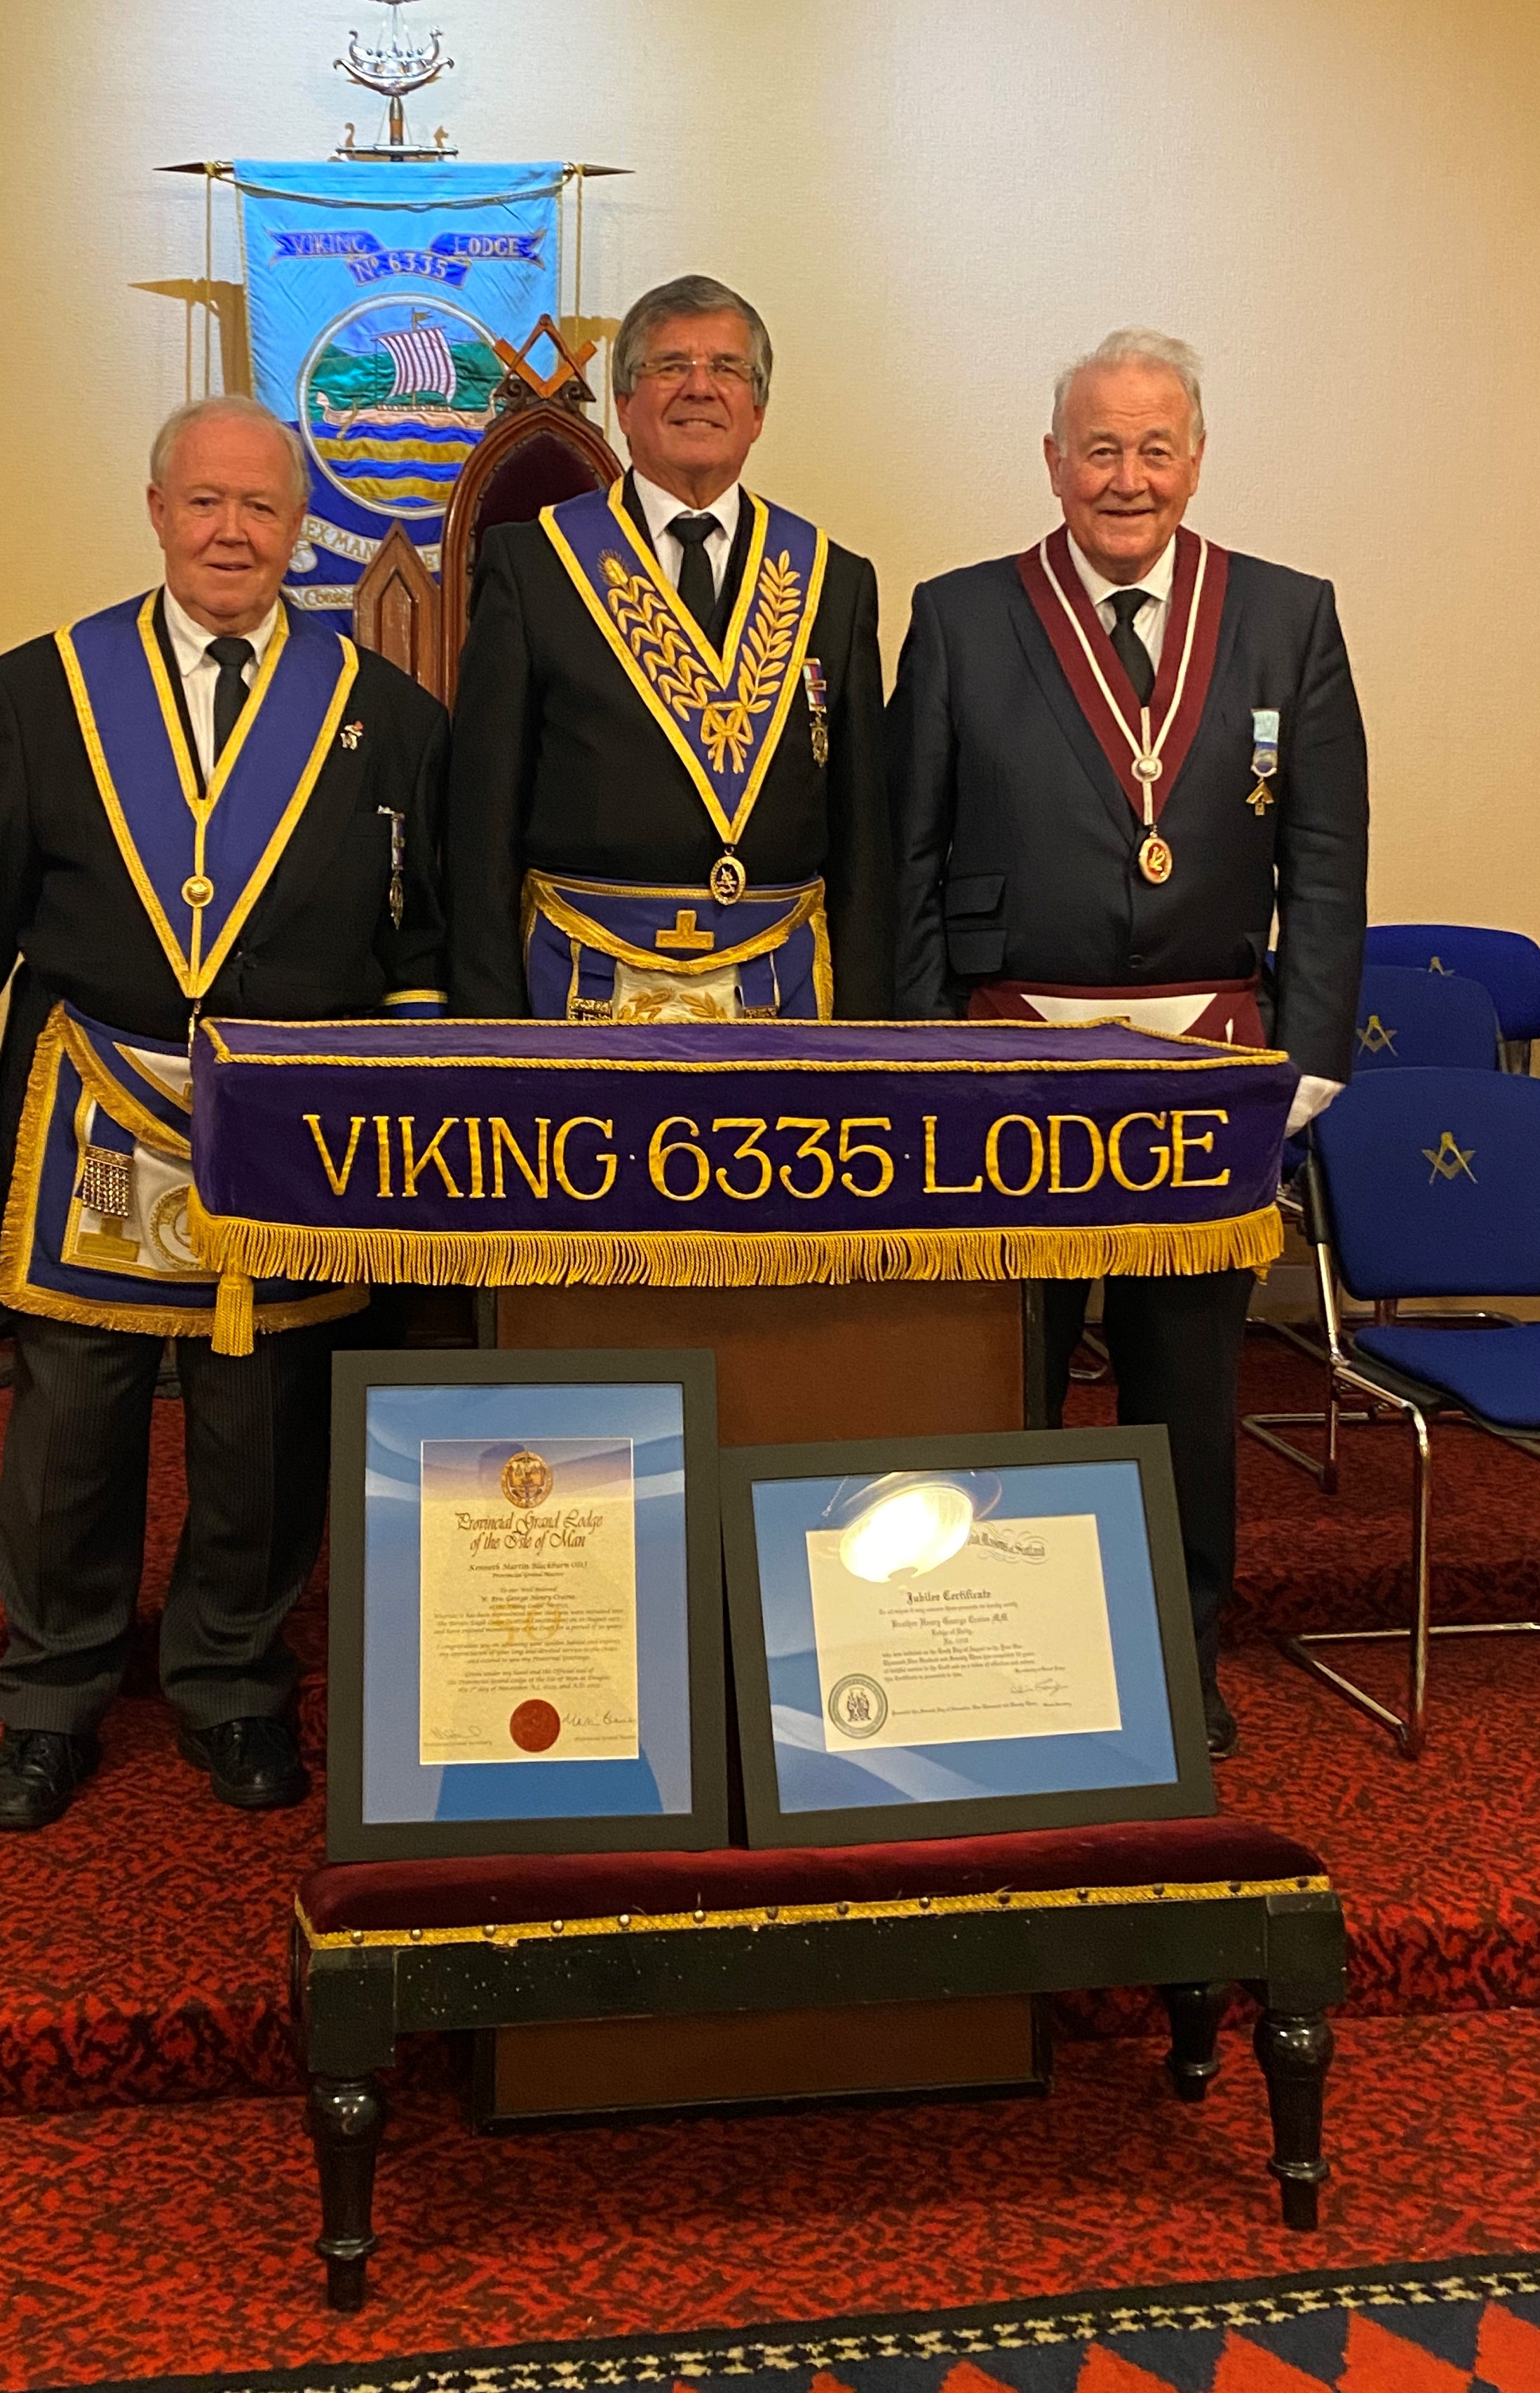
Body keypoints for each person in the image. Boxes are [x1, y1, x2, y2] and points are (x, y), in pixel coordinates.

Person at [0, 396, 449, 1831]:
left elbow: (418, 957)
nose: (230, 531)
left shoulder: (385, 716)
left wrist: (406, 1142)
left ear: (298, 530)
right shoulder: (42, 691)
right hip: (90, 1111)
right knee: (72, 1429)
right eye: (203, 502)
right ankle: (50, 1692)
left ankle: (231, 1682)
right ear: (155, 511)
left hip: (294, 1128)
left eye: (261, 509)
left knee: (263, 1430)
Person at [886, 329, 1367, 1758]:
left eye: (1156, 447)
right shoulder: (965, 616)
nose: (1127, 476)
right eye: (1099, 447)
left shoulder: (1288, 617)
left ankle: (1175, 1646)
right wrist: (914, 1049)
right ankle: (972, 1632)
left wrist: (1315, 1045)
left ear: (1198, 457)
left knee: (1185, 1386)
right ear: (1051, 461)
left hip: (1206, 1061)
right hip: (1005, 1054)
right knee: (997, 1376)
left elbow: (1327, 852)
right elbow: (905, 853)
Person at [447, 274, 891, 1021]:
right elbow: (479, 825)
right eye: (669, 366)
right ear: (624, 405)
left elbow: (864, 842)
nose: (699, 387)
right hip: (579, 987)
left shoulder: (832, 580)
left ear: (758, 411)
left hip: (782, 995)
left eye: (727, 369)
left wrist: (871, 1032)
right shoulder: (535, 565)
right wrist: (488, 1032)